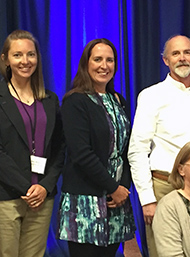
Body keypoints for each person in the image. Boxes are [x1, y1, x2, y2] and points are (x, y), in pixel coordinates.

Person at [128, 35, 190, 256]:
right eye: (175, 53)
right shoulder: (150, 96)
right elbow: (137, 150)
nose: (182, 58)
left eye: (187, 53)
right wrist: (147, 200)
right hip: (164, 187)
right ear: (165, 60)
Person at [0, 29, 65, 257]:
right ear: (5, 59)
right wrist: (27, 188)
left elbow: (59, 149)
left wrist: (45, 186)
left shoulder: (50, 99)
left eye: (31, 54)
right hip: (5, 197)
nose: (25, 61)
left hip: (42, 198)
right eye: (17, 55)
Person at [57, 38, 135, 256]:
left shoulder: (118, 100)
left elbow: (127, 149)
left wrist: (123, 188)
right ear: (86, 63)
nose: (104, 65)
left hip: (116, 202)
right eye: (98, 59)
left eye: (110, 60)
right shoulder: (75, 101)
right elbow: (81, 154)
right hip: (85, 204)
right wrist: (112, 187)